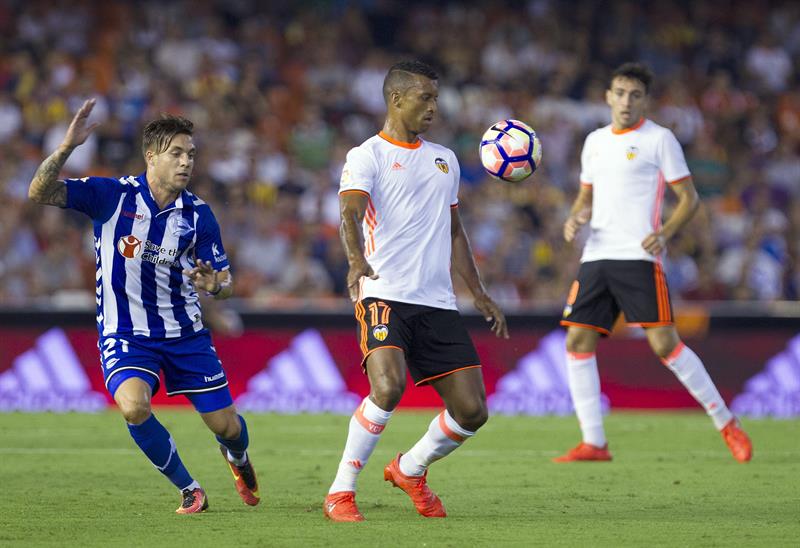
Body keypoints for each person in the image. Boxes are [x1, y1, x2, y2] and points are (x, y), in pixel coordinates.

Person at [28, 101, 260, 513]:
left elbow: (224, 284)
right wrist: (66, 147)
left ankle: (237, 457)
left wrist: (216, 286)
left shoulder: (198, 216)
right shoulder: (111, 196)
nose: (186, 162)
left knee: (227, 426)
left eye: (191, 154)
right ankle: (190, 489)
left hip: (184, 332)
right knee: (134, 407)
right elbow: (39, 191)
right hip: (126, 332)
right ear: (151, 157)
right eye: (176, 153)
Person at [324, 61, 508, 522]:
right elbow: (349, 213)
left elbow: (454, 231)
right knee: (388, 386)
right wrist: (355, 261)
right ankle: (341, 492)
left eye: (436, 98)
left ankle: (410, 468)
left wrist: (478, 292)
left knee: (472, 411)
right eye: (424, 97)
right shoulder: (367, 154)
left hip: (437, 302)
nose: (432, 106)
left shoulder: (444, 158)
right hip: (383, 292)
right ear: (396, 99)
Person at [557, 63, 753, 463]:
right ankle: (594, 441)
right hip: (596, 254)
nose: (626, 101)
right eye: (620, 93)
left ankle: (727, 422)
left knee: (665, 345)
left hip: (638, 255)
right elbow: (585, 196)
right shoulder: (594, 141)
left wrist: (665, 233)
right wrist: (576, 216)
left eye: (635, 95)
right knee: (577, 340)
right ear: (608, 96)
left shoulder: (659, 139)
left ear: (645, 100)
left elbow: (690, 199)